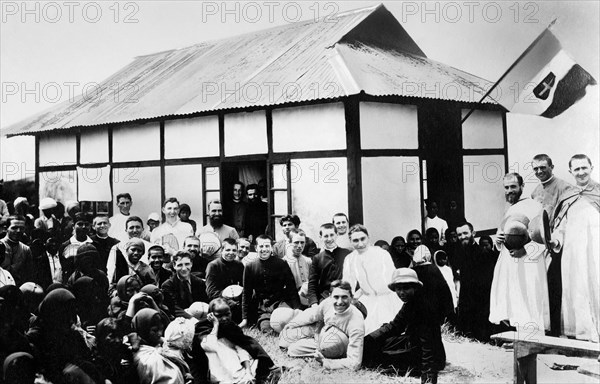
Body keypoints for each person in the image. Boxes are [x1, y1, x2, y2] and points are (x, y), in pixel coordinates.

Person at [489, 173, 549, 335]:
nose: (509, 191)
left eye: (513, 187)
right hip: (511, 261)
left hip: (530, 262)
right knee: (515, 299)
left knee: (530, 298)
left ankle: (534, 339)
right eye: (506, 187)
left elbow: (544, 236)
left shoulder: (534, 206)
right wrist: (498, 239)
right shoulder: (509, 209)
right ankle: (521, 338)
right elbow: (501, 234)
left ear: (522, 187)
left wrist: (525, 250)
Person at [363, 268, 445, 384]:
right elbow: (395, 326)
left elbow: (428, 346)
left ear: (415, 288)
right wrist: (369, 339)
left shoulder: (425, 308)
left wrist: (428, 377)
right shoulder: (410, 303)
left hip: (425, 355)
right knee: (373, 345)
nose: (401, 293)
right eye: (398, 288)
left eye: (406, 288)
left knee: (380, 359)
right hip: (412, 343)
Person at [549, 154, 600, 342]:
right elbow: (560, 226)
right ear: (571, 172)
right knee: (577, 289)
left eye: (584, 168)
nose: (581, 172)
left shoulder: (599, 192)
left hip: (597, 251)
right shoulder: (567, 196)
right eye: (576, 169)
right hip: (574, 253)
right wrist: (555, 241)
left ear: (591, 168)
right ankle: (583, 334)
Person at [530, 154, 577, 336]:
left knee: (557, 288)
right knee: (543, 290)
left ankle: (560, 333)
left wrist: (556, 239)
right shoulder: (535, 192)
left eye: (543, 167)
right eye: (535, 169)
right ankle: (546, 332)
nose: (539, 171)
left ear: (552, 166)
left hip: (560, 246)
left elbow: (567, 219)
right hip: (542, 247)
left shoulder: (565, 188)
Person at [279, 280, 365, 370]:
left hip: (337, 345)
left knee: (330, 343)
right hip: (321, 335)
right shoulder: (328, 303)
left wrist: (327, 362)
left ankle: (321, 353)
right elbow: (313, 314)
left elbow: (354, 363)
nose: (339, 302)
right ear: (330, 296)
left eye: (344, 297)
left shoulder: (356, 321)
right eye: (336, 297)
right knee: (288, 345)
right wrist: (292, 324)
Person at [342, 224, 402, 334]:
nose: (360, 244)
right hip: (367, 300)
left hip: (387, 298)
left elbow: (392, 277)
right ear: (350, 242)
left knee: (390, 331)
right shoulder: (350, 259)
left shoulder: (381, 253)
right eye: (355, 240)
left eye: (363, 239)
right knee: (368, 333)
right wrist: (352, 298)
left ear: (368, 237)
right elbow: (348, 283)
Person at [240, 235, 300, 333]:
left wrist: (297, 308)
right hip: (263, 307)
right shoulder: (250, 267)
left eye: (267, 246)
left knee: (285, 324)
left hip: (280, 302)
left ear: (271, 247)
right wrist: (244, 318)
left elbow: (291, 287)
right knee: (267, 329)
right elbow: (246, 293)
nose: (264, 249)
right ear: (256, 248)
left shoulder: (281, 263)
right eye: (261, 246)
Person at [454, 223, 498, 342]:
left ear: (473, 233)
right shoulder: (460, 252)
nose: (462, 237)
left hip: (480, 304)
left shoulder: (482, 253)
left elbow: (486, 282)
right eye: (459, 234)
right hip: (466, 302)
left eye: (465, 233)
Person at [131, 308, 186, 384]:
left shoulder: (161, 343)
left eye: (161, 329)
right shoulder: (146, 359)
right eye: (155, 330)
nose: (160, 333)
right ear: (143, 330)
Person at [307, 223, 352, 307]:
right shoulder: (317, 258)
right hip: (325, 297)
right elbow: (312, 283)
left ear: (337, 235)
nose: (329, 239)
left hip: (345, 295)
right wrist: (314, 303)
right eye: (326, 236)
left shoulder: (346, 254)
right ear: (321, 237)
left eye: (332, 235)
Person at [411, 245, 454, 326]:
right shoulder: (433, 269)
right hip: (435, 305)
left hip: (420, 307)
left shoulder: (413, 271)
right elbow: (444, 290)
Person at [205, 238, 244, 321]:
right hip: (218, 300)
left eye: (234, 250)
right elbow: (211, 292)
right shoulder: (213, 266)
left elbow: (243, 285)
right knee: (232, 306)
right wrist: (226, 296)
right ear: (222, 250)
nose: (231, 253)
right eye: (228, 250)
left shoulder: (239, 265)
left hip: (236, 298)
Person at [161, 251, 209, 319]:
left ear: (191, 264)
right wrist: (192, 319)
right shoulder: (167, 286)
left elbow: (204, 302)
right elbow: (174, 308)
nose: (184, 268)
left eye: (187, 264)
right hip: (179, 319)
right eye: (180, 265)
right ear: (174, 265)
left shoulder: (199, 282)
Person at [106, 216, 152, 284]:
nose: (135, 230)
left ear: (142, 229)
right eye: (131, 228)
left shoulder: (149, 246)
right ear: (126, 230)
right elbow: (111, 271)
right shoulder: (117, 247)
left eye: (138, 227)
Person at [58, 212, 93, 282]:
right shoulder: (65, 246)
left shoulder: (94, 244)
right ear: (73, 226)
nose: (83, 227)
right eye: (80, 224)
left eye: (86, 224)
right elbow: (63, 268)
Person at [0, 215, 33, 286]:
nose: (18, 231)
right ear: (6, 229)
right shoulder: (0, 245)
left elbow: (29, 275)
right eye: (14, 228)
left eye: (22, 228)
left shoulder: (26, 249)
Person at [283, 229, 312, 306]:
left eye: (302, 242)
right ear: (289, 243)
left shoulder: (308, 261)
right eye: (296, 242)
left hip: (307, 300)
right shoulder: (283, 263)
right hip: (290, 302)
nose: (299, 246)